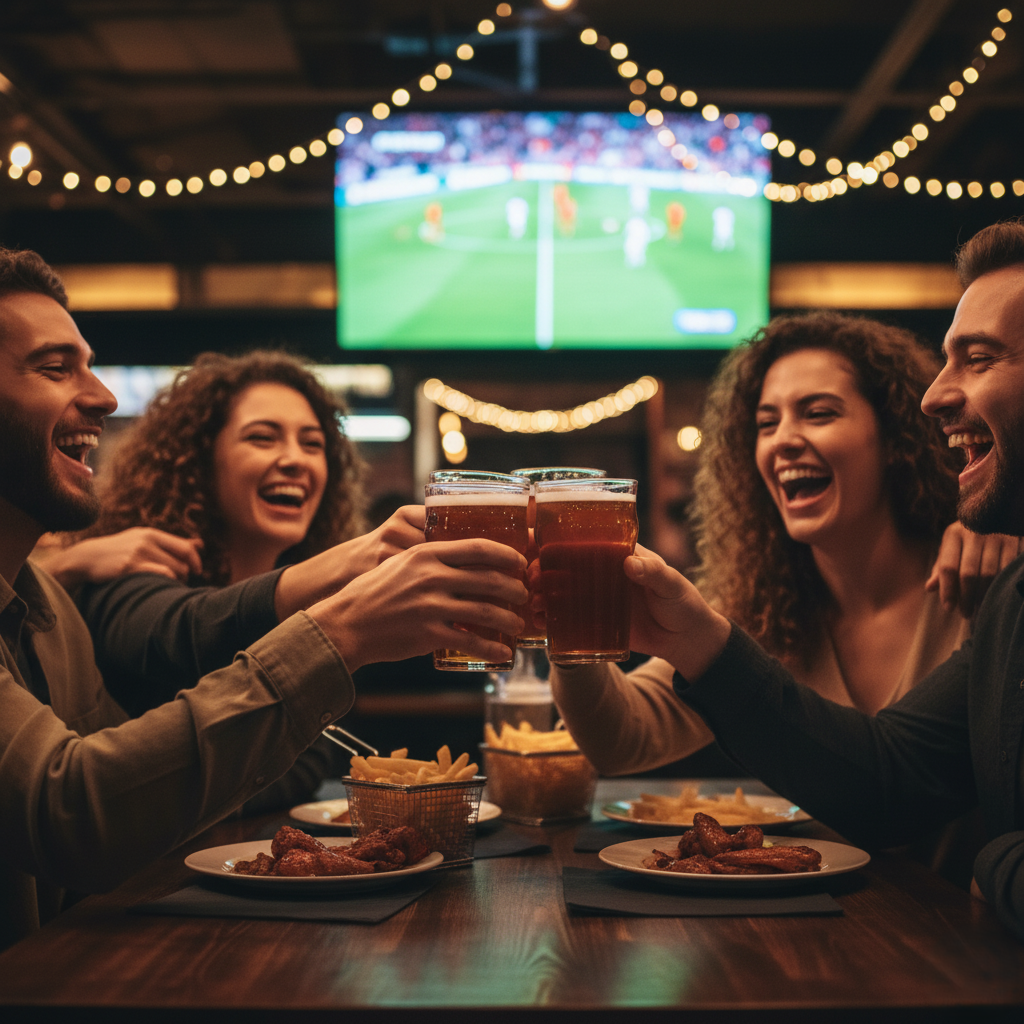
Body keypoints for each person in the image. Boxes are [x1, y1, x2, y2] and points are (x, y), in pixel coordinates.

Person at [0, 246, 527, 948]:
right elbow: (75, 811)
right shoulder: (122, 577)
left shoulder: (44, 607)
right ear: (198, 459)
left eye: (314, 442)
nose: (102, 396)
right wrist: (339, 623)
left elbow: (135, 784)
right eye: (55, 367)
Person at [608, 219, 1024, 941]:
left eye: (980, 359)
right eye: (766, 422)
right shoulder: (1015, 598)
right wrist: (703, 642)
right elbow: (888, 779)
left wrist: (999, 864)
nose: (935, 395)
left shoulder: (984, 576)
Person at [551, 312, 1020, 780]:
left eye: (819, 414)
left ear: (896, 438)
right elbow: (620, 739)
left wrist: (1013, 526)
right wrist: (569, 621)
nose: (784, 442)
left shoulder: (980, 574)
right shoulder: (763, 612)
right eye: (766, 423)